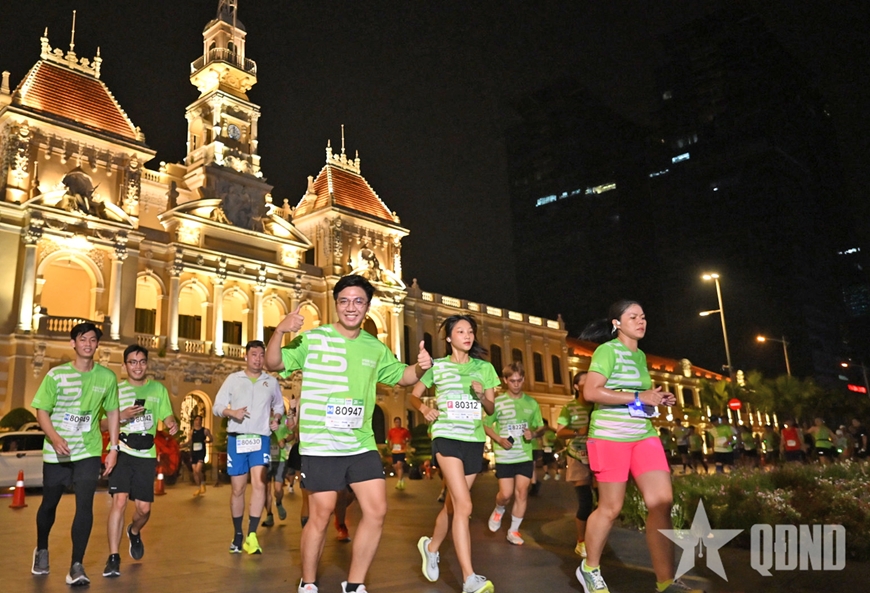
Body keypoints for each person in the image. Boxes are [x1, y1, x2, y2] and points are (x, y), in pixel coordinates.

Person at [265, 274, 432, 593]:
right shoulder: (313, 339)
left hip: (360, 443)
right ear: (336, 304)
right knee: (321, 514)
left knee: (377, 510)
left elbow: (404, 377)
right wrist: (280, 331)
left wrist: (422, 366)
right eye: (344, 300)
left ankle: (355, 585)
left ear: (367, 307)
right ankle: (308, 584)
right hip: (322, 445)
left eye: (358, 301)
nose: (351, 307)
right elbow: (274, 362)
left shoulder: (375, 346)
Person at [576, 300, 704, 593]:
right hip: (610, 436)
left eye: (643, 316)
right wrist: (638, 396)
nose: (641, 321)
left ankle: (666, 582)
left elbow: (640, 396)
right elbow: (591, 390)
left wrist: (657, 399)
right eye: (632, 316)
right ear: (616, 324)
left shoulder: (641, 356)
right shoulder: (606, 351)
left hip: (643, 435)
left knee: (661, 503)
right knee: (610, 508)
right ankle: (590, 568)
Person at [412, 314, 498, 593]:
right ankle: (469, 578)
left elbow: (491, 409)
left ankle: (431, 546)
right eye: (460, 331)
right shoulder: (436, 367)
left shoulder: (484, 369)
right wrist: (425, 409)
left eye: (470, 331)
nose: (467, 335)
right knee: (465, 505)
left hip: (473, 440)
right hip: (446, 437)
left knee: (453, 505)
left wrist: (482, 394)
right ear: (449, 338)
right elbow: (414, 394)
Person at [31, 322, 120, 586]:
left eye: (93, 340)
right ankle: (42, 548)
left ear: (97, 345)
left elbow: (113, 412)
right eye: (83, 339)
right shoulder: (56, 376)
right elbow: (42, 411)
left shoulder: (106, 377)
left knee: (85, 505)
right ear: (73, 343)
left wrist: (113, 448)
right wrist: (54, 437)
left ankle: (76, 566)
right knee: (49, 504)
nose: (88, 344)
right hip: (57, 452)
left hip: (88, 450)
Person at [102, 345, 178, 578]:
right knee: (120, 502)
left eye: (142, 361)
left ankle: (134, 531)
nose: (137, 366)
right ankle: (113, 557)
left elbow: (167, 415)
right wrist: (121, 416)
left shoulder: (157, 389)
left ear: (147, 364)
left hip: (146, 455)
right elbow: (102, 424)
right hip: (122, 451)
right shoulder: (115, 390)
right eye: (132, 362)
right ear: (124, 365)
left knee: (143, 509)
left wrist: (172, 423)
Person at [213, 340, 284, 555]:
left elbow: (279, 405)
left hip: (260, 439)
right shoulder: (233, 380)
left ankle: (252, 534)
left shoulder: (271, 382)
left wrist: (277, 419)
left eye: (261, 355)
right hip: (237, 439)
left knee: (260, 485)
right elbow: (217, 406)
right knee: (238, 489)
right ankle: (237, 534)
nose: (258, 359)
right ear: (246, 356)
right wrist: (231, 413)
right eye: (254, 355)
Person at [483, 361, 544, 546]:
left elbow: (541, 426)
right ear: (505, 381)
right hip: (504, 455)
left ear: (523, 379)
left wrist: (533, 433)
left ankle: (514, 530)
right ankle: (499, 508)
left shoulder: (531, 403)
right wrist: (498, 439)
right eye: (512, 381)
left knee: (522, 492)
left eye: (519, 380)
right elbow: (486, 425)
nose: (516, 384)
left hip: (524, 454)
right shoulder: (498, 402)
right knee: (506, 494)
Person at [555, 371, 594, 557]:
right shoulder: (569, 408)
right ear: (577, 386)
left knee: (605, 500)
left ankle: (595, 536)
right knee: (586, 502)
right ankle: (581, 541)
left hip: (601, 456)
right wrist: (579, 432)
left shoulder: (598, 406)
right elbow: (560, 432)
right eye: (585, 381)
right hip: (579, 456)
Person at [263, 412, 294, 527]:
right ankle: (269, 514)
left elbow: (292, 434)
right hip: (266, 457)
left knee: (278, 488)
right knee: (266, 489)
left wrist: (284, 440)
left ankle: (279, 502)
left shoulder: (285, 418)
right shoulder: (263, 416)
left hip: (280, 457)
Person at [182, 414, 212, 496]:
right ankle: (198, 488)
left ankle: (203, 483)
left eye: (199, 420)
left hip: (201, 452)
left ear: (201, 421)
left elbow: (211, 438)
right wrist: (183, 444)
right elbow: (190, 441)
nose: (198, 421)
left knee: (198, 470)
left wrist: (208, 441)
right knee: (195, 472)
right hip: (193, 452)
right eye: (196, 420)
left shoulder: (205, 430)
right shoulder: (192, 431)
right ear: (194, 421)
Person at [387, 416, 412, 490]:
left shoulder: (404, 431)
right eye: (396, 422)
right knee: (395, 466)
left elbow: (409, 438)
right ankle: (401, 479)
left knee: (399, 464)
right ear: (394, 423)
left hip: (402, 450)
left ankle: (399, 481)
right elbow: (389, 439)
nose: (398, 423)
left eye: (399, 422)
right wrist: (390, 445)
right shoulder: (391, 431)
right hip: (394, 450)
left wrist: (406, 441)